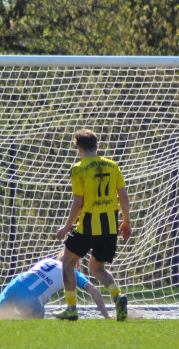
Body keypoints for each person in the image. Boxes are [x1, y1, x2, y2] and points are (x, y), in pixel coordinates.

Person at [54, 129, 132, 321]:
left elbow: (78, 203)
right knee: (97, 268)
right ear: (96, 147)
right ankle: (117, 296)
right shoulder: (112, 166)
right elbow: (123, 196)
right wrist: (127, 222)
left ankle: (71, 309)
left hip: (88, 227)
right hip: (110, 227)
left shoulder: (78, 168)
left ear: (79, 148)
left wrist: (66, 227)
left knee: (65, 263)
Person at [0, 252, 109, 319]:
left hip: (16, 283)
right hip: (30, 296)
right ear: (76, 263)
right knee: (39, 316)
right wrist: (106, 315)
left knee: (0, 307)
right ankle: (12, 319)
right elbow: (93, 290)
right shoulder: (73, 273)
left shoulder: (47, 261)